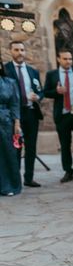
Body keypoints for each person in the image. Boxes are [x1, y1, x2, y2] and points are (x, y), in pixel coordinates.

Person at [43, 49, 73, 183]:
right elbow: (45, 92)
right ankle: (68, 172)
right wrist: (56, 91)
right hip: (62, 115)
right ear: (58, 59)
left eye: (70, 59)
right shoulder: (52, 74)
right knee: (65, 146)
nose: (68, 61)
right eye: (65, 59)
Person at [4, 41, 44, 187]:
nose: (20, 53)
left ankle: (29, 178)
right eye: (16, 50)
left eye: (22, 50)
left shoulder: (33, 71)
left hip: (31, 113)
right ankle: (15, 179)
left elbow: (40, 90)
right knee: (15, 147)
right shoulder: (6, 70)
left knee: (31, 147)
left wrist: (38, 96)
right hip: (14, 116)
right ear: (11, 51)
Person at [0, 61, 21, 196]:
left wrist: (17, 123)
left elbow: (14, 104)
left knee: (8, 154)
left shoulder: (10, 82)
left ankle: (10, 185)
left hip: (5, 121)